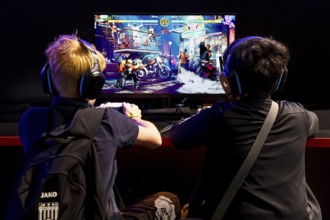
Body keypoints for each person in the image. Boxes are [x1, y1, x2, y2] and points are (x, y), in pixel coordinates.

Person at [169, 36, 320, 219]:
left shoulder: (219, 116)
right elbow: (314, 124)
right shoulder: (298, 115)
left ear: (229, 82)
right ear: (280, 78)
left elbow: (177, 136)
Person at [18, 34, 163, 219]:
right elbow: (156, 139)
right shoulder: (108, 119)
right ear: (94, 83)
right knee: (168, 199)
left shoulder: (30, 120)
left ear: (48, 80)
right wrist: (134, 117)